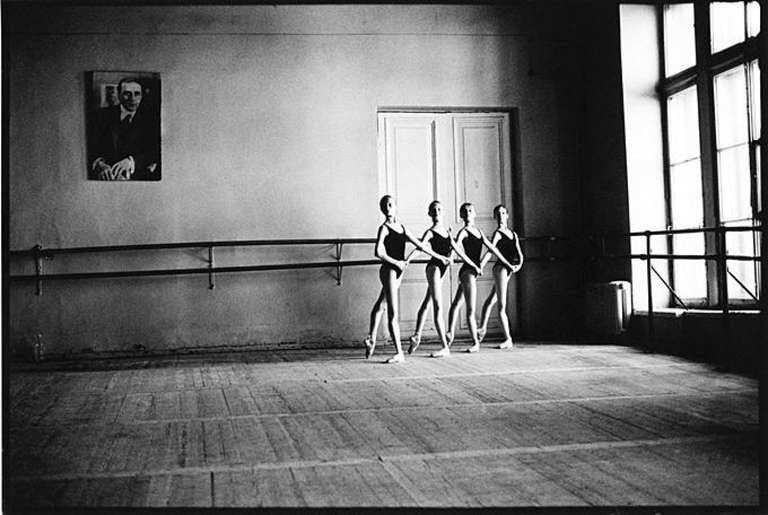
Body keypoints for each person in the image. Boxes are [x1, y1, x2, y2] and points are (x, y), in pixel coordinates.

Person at [364, 195, 451, 363]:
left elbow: (421, 246)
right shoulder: (384, 228)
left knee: (381, 304)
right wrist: (397, 262)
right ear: (382, 210)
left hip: (398, 271)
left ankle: (371, 337)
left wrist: (440, 257)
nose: (388, 207)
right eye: (384, 205)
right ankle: (399, 353)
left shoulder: (402, 228)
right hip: (389, 270)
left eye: (390, 204)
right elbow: (379, 252)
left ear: (395, 207)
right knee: (393, 313)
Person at [445, 202, 515, 353]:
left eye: (471, 210)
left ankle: (449, 334)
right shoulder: (463, 232)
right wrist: (471, 264)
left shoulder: (479, 232)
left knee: (457, 302)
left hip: (473, 271)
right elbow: (456, 248)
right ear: (462, 216)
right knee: (470, 309)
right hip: (467, 272)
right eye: (465, 211)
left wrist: (505, 264)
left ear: (475, 213)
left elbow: (492, 249)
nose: (469, 213)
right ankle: (475, 342)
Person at [403, 200, 455, 358]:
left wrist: (450, 257)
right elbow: (421, 247)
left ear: (443, 212)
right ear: (430, 214)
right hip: (434, 269)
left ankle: (416, 336)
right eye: (434, 210)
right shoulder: (430, 232)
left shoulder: (447, 232)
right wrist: (408, 259)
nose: (437, 212)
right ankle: (445, 347)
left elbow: (452, 248)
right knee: (438, 306)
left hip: (442, 268)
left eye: (439, 209)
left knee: (427, 302)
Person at [88, 77, 160, 181]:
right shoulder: (101, 116)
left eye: (137, 94)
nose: (133, 99)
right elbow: (91, 148)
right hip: (107, 180)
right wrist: (99, 164)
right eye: (127, 94)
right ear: (118, 94)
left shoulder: (152, 120)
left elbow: (156, 152)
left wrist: (132, 162)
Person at [477, 205, 524, 349]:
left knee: (492, 299)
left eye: (503, 213)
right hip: (501, 269)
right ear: (495, 217)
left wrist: (518, 265)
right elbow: (490, 251)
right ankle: (508, 338)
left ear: (507, 215)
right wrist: (481, 265)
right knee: (502, 306)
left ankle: (482, 329)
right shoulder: (497, 233)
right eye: (498, 214)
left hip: (509, 269)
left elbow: (520, 254)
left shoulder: (513, 234)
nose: (501, 216)